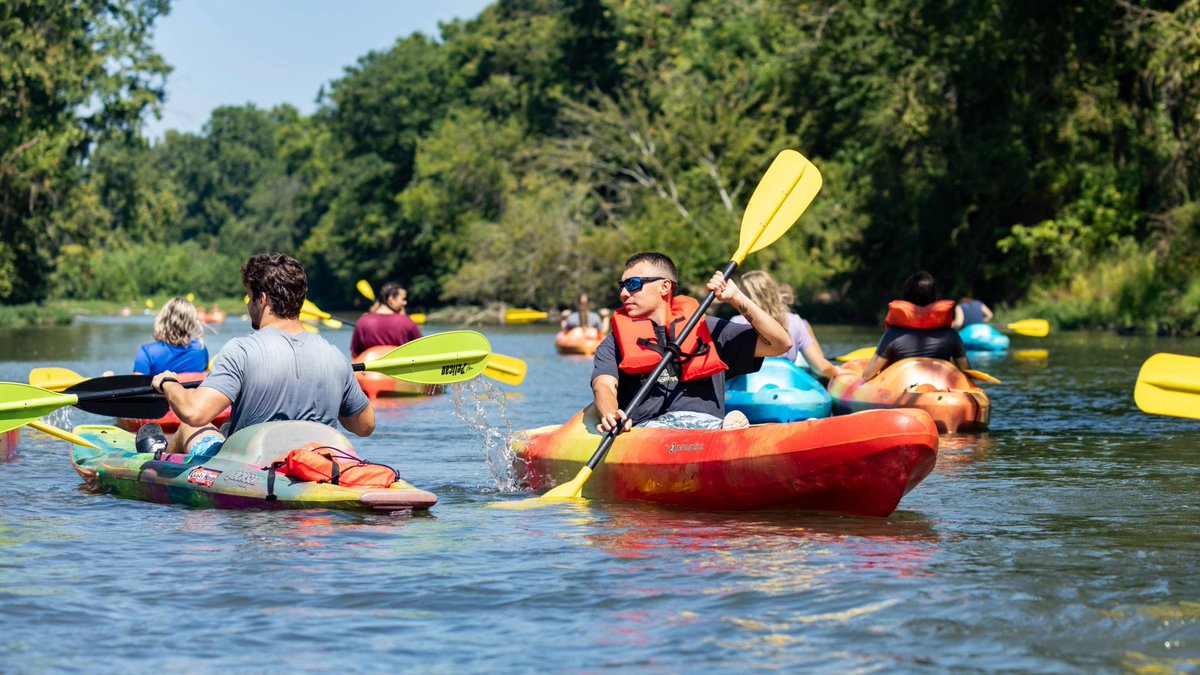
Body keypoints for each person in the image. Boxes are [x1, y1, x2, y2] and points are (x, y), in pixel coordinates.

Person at [151, 253, 375, 458]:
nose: (249, 304)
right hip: (317, 467)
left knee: (191, 427)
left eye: (250, 297)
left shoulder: (241, 350)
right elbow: (365, 426)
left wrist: (169, 383)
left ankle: (159, 460)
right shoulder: (335, 357)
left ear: (263, 299)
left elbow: (194, 412)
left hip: (250, 468)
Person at [591, 252, 791, 433]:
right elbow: (604, 386)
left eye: (633, 284)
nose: (624, 293)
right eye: (622, 286)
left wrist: (736, 298)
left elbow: (780, 343)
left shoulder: (709, 330)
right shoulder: (614, 342)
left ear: (664, 286)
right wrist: (611, 414)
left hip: (707, 429)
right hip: (649, 431)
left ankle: (730, 435)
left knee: (715, 430)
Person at [860, 271, 970, 381]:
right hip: (942, 388)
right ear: (934, 296)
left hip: (903, 389)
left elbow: (867, 375)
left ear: (906, 296)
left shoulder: (893, 334)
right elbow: (967, 372)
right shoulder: (951, 334)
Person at [729, 271, 840, 379]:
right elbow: (819, 366)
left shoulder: (736, 322)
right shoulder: (795, 321)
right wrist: (839, 371)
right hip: (786, 387)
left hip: (746, 391)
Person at [133, 297, 208, 376]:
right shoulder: (201, 349)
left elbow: (137, 386)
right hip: (192, 388)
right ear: (192, 322)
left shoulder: (147, 352)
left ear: (163, 319)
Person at [349, 282, 423, 358]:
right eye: (403, 299)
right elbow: (422, 349)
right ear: (391, 299)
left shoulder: (362, 321)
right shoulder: (407, 322)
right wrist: (403, 317)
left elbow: (355, 354)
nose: (404, 303)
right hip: (399, 367)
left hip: (370, 368)